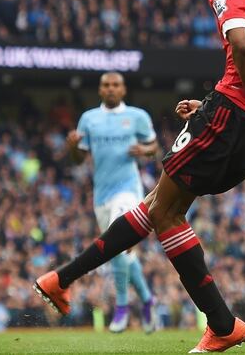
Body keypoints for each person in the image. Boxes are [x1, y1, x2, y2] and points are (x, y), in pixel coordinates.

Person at [33, 0, 245, 353]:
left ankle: (221, 323)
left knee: (165, 212)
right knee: (159, 205)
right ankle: (61, 279)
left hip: (244, 111)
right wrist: (232, 110)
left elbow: (243, 47)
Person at [64, 72, 158, 333]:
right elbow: (78, 160)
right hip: (101, 195)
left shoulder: (137, 116)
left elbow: (154, 146)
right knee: (124, 253)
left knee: (118, 246)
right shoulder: (89, 119)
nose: (111, 89)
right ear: (100, 90)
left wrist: (144, 151)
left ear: (123, 90)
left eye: (115, 85)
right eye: (106, 85)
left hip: (129, 190)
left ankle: (122, 308)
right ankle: (148, 300)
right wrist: (72, 146)